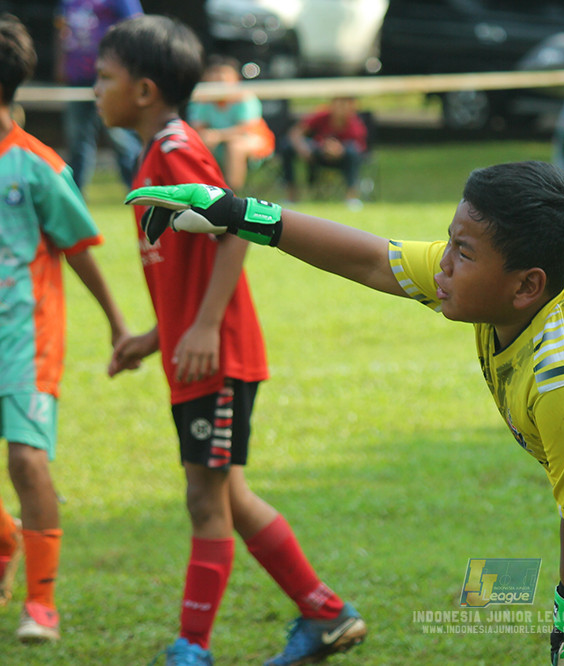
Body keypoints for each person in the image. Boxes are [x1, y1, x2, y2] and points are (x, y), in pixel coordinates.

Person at [125, 159, 564, 666]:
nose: (442, 263)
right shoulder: (500, 290)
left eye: (463, 253)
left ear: (527, 283)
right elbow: (372, 261)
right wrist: (237, 211)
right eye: (450, 240)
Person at [94, 15, 366, 665]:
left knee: (205, 498)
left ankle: (192, 648)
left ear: (144, 90)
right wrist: (159, 336)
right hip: (198, 356)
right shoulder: (156, 150)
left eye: (104, 77)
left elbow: (238, 227)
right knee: (229, 497)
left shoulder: (176, 147)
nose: (93, 89)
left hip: (219, 357)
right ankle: (325, 613)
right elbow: (186, 268)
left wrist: (208, 325)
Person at [0, 13, 131, 644]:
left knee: (26, 462)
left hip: (26, 343)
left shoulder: (37, 167)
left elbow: (80, 249)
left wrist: (116, 325)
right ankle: (6, 544)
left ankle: (41, 605)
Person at [55, 0, 144, 195]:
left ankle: (141, 190)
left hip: (111, 78)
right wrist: (61, 63)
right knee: (78, 139)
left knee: (120, 135)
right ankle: (75, 196)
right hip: (77, 77)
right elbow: (62, 30)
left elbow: (137, 29)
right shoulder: (69, 2)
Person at [187, 55, 275, 192]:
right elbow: (198, 127)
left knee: (235, 146)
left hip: (252, 141)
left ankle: (233, 194)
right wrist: (210, 136)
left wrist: (218, 135)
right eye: (214, 73)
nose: (219, 78)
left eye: (224, 74)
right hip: (216, 143)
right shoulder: (201, 99)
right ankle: (203, 189)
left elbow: (246, 128)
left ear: (236, 78)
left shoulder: (244, 97)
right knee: (200, 142)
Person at [279, 96, 368, 208]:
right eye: (338, 103)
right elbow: (295, 133)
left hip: (343, 158)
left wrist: (339, 150)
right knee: (287, 147)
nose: (340, 108)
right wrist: (302, 148)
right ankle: (291, 197)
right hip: (316, 153)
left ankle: (351, 199)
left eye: (344, 104)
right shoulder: (322, 116)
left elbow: (359, 148)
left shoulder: (355, 125)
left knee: (352, 153)